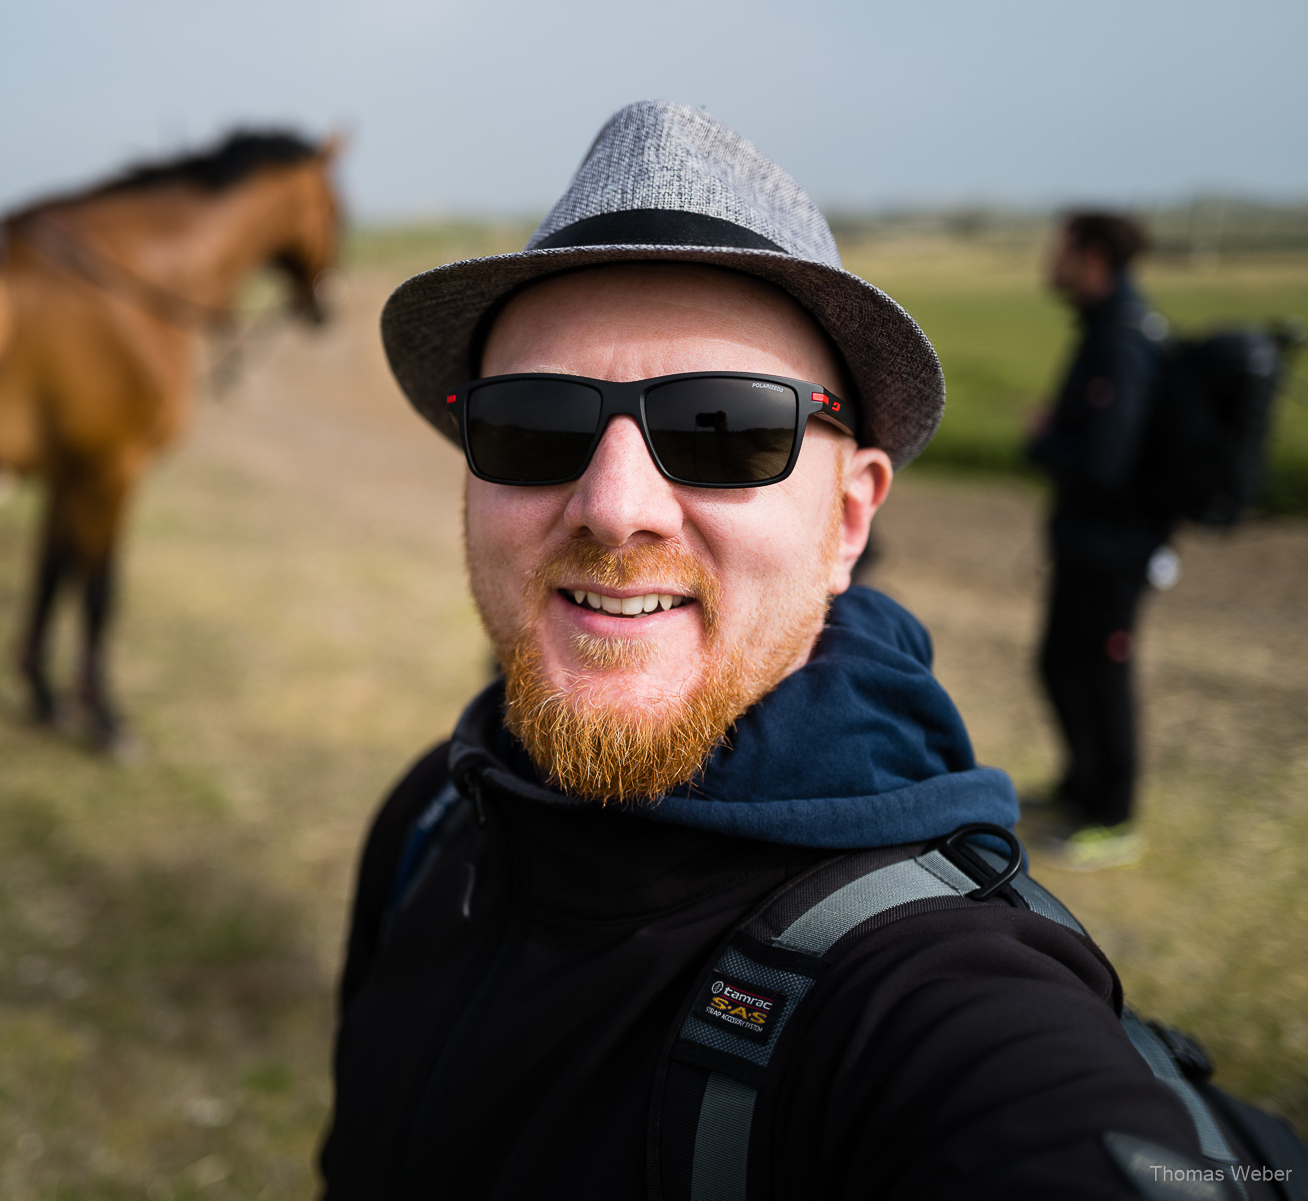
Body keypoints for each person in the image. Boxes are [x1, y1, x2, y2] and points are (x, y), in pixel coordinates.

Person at [320, 104, 1216, 1198]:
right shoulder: (433, 822)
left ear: (849, 519)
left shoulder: (923, 990)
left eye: (723, 427)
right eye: (532, 424)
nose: (613, 506)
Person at [1028, 213, 1171, 869]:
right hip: (1087, 541)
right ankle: (1081, 785)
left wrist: (1045, 438)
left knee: (1102, 673)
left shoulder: (1121, 339)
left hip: (1115, 547)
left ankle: (1114, 815)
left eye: (1059, 250)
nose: (1049, 262)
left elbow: (1105, 461)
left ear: (1090, 257)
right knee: (1062, 662)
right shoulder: (1105, 330)